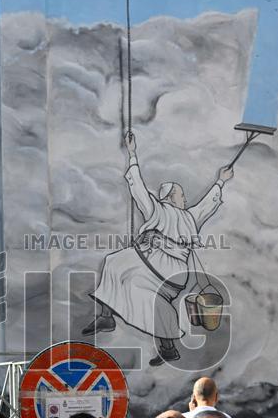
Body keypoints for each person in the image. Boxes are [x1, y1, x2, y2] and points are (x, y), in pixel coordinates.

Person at [81, 132, 234, 367]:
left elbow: (207, 204)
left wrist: (221, 180)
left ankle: (167, 347)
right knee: (114, 262)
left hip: (168, 272)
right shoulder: (159, 211)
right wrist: (132, 154)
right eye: (180, 195)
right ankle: (106, 316)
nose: (184, 198)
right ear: (170, 198)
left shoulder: (189, 217)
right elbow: (139, 189)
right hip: (145, 264)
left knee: (155, 300)